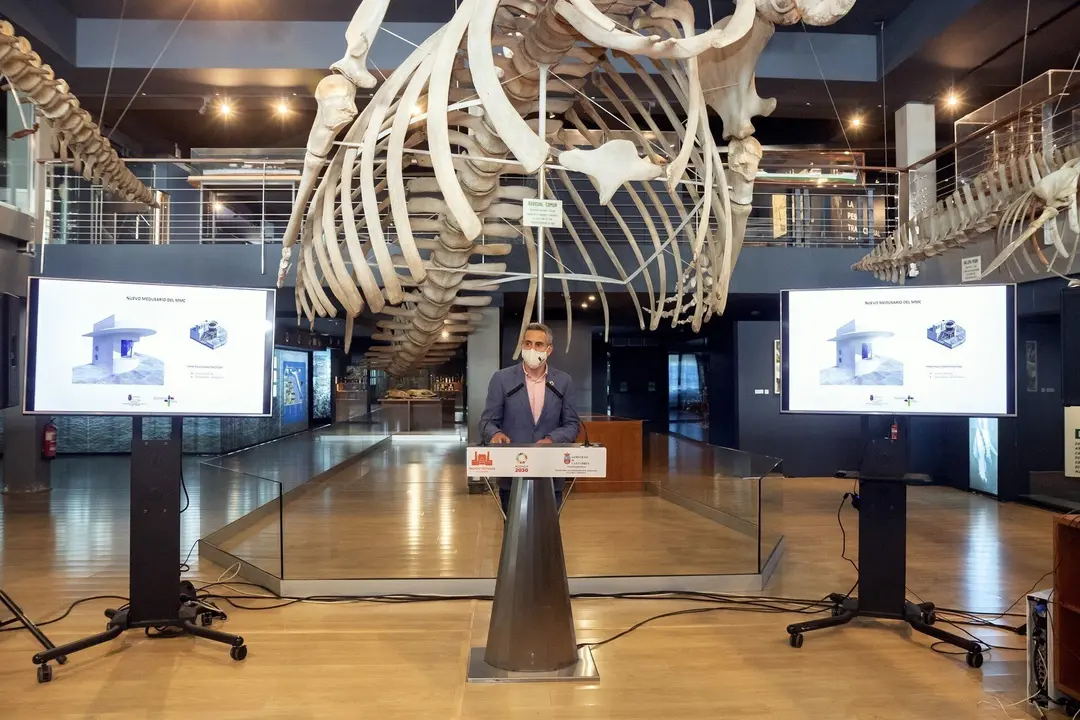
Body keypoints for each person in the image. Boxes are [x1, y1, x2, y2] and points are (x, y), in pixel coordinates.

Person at [479, 322, 581, 515]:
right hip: (512, 475)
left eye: (538, 344)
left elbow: (572, 424)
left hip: (550, 472)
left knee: (547, 530)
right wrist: (495, 434)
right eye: (528, 343)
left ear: (549, 350)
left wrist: (552, 439)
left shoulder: (563, 381)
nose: (532, 349)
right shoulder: (502, 379)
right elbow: (487, 422)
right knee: (514, 531)